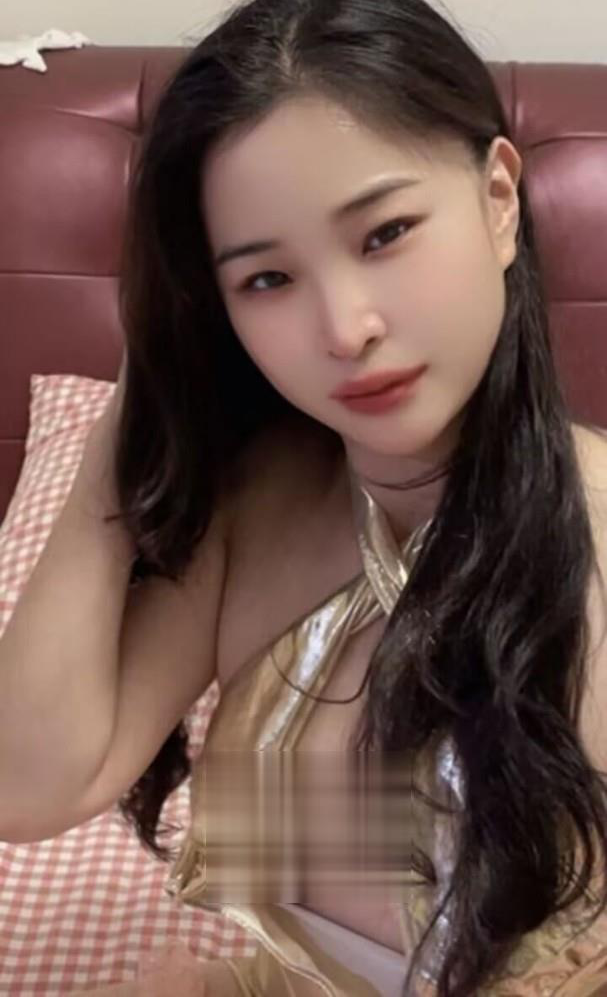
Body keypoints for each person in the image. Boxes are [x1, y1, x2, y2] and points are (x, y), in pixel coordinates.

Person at [2, 0, 607, 994]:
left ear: (498, 198)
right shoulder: (258, 504)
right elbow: (27, 786)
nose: (344, 327)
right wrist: (119, 449)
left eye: (385, 233)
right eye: (267, 279)